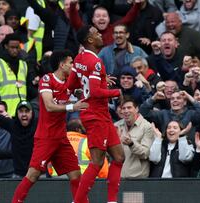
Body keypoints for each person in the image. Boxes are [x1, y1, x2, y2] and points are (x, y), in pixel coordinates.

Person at [11, 50, 89, 203]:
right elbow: (49, 106)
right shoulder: (47, 79)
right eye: (71, 62)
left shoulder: (70, 81)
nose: (73, 66)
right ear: (62, 65)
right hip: (46, 137)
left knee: (76, 175)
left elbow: (87, 84)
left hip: (61, 138)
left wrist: (102, 81)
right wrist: (72, 107)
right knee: (32, 175)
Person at [67, 25, 125, 203]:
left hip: (101, 115)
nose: (100, 35)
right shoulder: (95, 62)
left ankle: (112, 201)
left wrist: (85, 89)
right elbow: (96, 92)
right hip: (95, 116)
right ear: (90, 40)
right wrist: (117, 93)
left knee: (119, 157)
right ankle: (77, 201)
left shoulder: (79, 58)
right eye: (96, 33)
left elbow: (71, 84)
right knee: (97, 161)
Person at [0, 99, 37, 178]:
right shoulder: (13, 125)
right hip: (18, 175)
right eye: (21, 111)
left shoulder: (38, 126)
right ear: (17, 113)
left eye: (27, 111)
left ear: (32, 113)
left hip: (37, 173)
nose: (24, 114)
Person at [0, 33, 37, 117]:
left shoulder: (24, 64)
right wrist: (0, 110)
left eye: (17, 47)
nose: (15, 50)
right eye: (12, 47)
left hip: (21, 113)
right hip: (5, 113)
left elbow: (28, 88)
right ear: (6, 46)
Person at [114, 97, 154, 178]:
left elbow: (145, 154)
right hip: (117, 176)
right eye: (123, 108)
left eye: (129, 108)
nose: (126, 111)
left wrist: (131, 144)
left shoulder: (147, 127)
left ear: (136, 109)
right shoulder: (116, 126)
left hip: (137, 178)